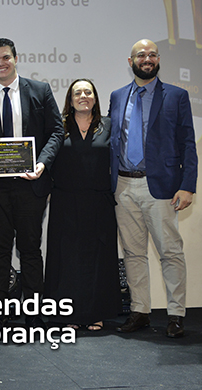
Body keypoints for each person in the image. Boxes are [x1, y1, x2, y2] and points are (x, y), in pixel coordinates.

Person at [0, 38, 64, 329]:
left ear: (15, 58)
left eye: (5, 57)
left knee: (30, 250)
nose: (1, 63)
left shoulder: (40, 90)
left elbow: (56, 132)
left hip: (30, 185)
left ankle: (34, 313)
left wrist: (42, 163)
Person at [110, 39, 198, 338]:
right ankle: (140, 311)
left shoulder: (176, 95)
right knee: (133, 253)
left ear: (158, 59)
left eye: (152, 55)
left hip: (160, 186)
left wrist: (188, 186)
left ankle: (176, 314)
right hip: (123, 185)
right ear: (130, 61)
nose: (147, 59)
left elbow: (188, 143)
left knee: (170, 253)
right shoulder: (117, 96)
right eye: (141, 55)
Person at [43, 79, 121, 331]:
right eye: (78, 93)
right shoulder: (58, 126)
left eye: (88, 92)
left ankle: (96, 313)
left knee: (99, 259)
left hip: (99, 203)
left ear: (95, 98)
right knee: (67, 259)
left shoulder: (108, 125)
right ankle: (69, 314)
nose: (83, 96)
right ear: (70, 99)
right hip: (65, 202)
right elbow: (46, 157)